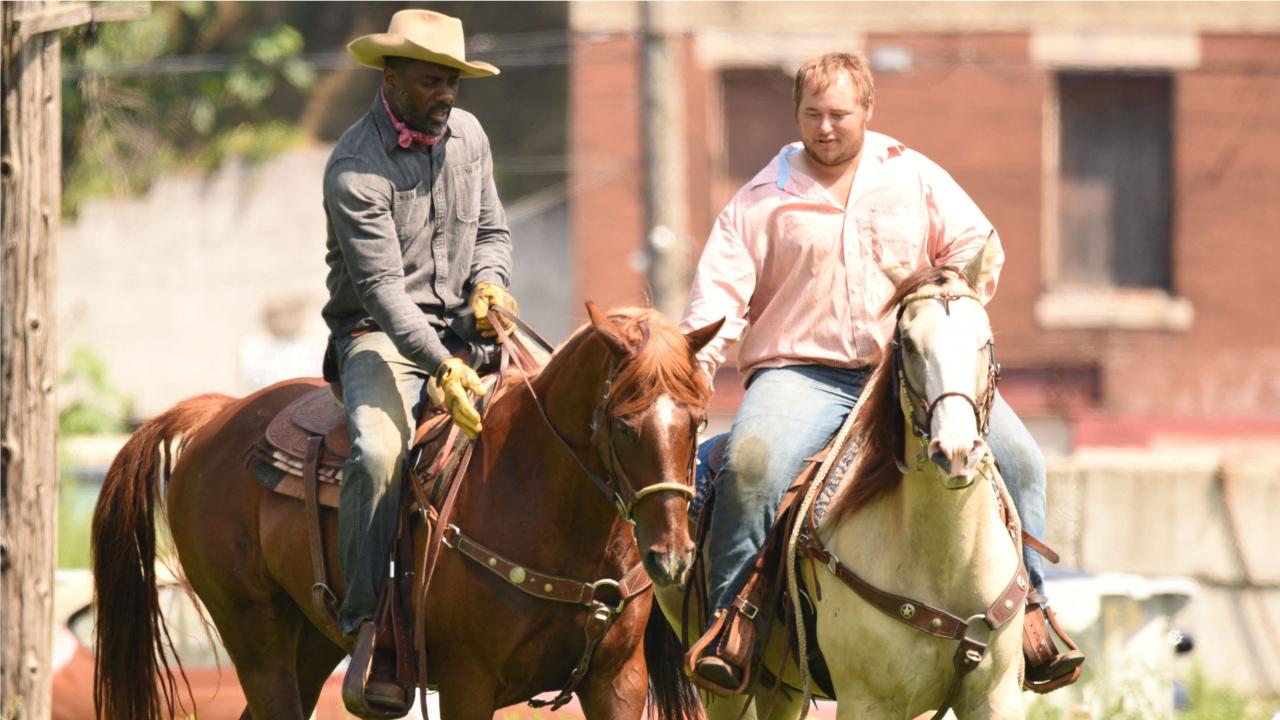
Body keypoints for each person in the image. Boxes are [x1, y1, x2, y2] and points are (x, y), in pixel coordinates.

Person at [679, 51, 1083, 693]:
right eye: (813, 114)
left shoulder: (914, 176)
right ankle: (736, 624)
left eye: (840, 114)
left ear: (868, 109)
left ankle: (1031, 615)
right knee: (750, 465)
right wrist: (691, 366)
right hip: (800, 375)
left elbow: (977, 245)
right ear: (797, 115)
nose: (826, 127)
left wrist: (941, 295)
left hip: (911, 375)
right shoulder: (761, 199)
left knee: (1024, 459)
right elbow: (717, 301)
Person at [321, 8, 518, 707]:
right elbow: (380, 294)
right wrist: (440, 364)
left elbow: (493, 228)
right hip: (379, 338)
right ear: (391, 76)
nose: (445, 96)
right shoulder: (353, 167)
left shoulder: (468, 136)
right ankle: (367, 623)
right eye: (432, 82)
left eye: (453, 84)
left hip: (471, 329)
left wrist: (492, 283)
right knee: (377, 454)